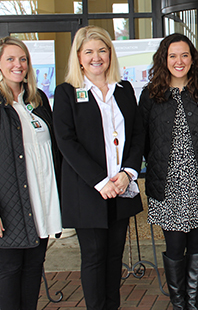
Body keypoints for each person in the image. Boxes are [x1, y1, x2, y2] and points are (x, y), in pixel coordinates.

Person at [53, 26, 144, 310]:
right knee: (94, 257)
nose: (97, 57)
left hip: (121, 187)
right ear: (79, 57)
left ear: (110, 54)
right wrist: (101, 181)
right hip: (88, 190)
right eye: (89, 51)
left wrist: (128, 173)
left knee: (115, 256)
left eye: (102, 50)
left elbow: (138, 134)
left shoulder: (124, 89)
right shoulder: (67, 93)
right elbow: (66, 142)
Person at [0, 37, 62, 310]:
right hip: (8, 204)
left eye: (23, 59)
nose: (18, 65)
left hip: (41, 200)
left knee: (34, 266)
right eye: (10, 59)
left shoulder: (38, 100)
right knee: (10, 268)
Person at [139, 33, 198, 310]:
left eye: (185, 55)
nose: (179, 61)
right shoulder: (151, 95)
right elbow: (143, 139)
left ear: (192, 59)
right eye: (172, 55)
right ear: (164, 59)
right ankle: (178, 303)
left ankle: (192, 302)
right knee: (174, 246)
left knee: (197, 244)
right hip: (167, 183)